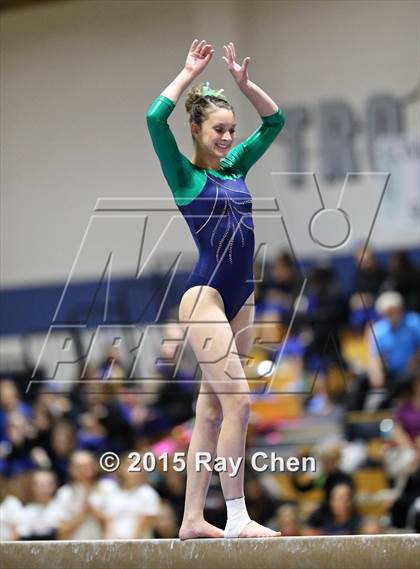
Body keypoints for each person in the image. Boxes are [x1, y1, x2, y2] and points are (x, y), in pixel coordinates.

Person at [146, 39, 285, 539]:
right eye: (218, 130)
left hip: (241, 298)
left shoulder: (237, 168)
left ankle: (190, 521)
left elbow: (275, 123)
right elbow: (152, 119)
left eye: (231, 130)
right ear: (197, 132)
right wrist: (186, 74)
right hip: (204, 296)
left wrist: (246, 87)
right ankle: (239, 516)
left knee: (209, 410)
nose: (228, 138)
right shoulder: (184, 175)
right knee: (239, 403)